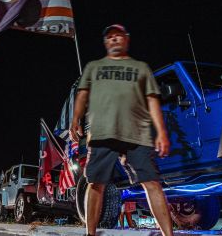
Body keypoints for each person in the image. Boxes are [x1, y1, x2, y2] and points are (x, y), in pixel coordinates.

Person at [69, 24, 173, 236]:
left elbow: (152, 99)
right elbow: (82, 94)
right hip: (102, 132)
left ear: (126, 39)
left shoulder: (141, 68)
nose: (114, 39)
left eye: (119, 36)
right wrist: (75, 119)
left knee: (152, 183)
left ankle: (168, 235)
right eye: (110, 37)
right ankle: (90, 234)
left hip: (137, 132)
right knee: (95, 183)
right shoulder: (94, 67)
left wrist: (161, 132)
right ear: (106, 42)